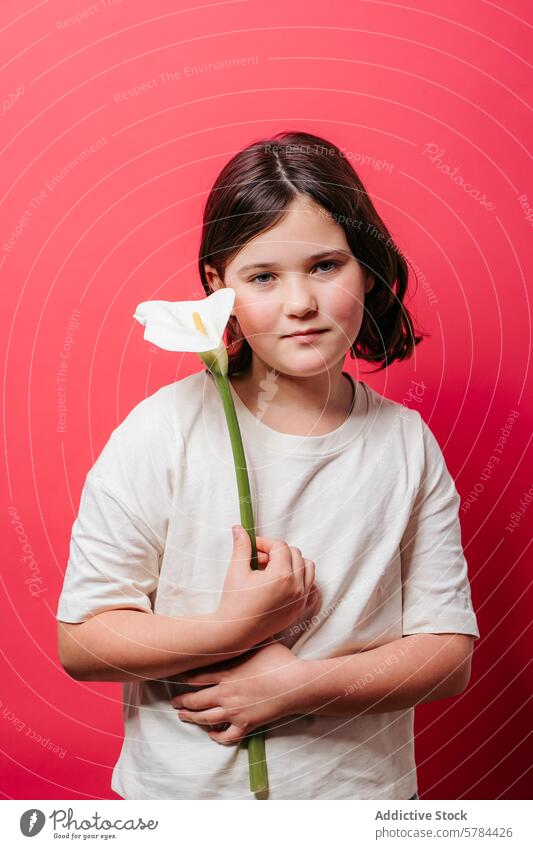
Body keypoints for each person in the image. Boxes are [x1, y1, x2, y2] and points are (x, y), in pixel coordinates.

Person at [56, 131, 480, 801]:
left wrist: (298, 685)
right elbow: (83, 641)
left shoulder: (404, 443)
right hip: (183, 810)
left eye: (324, 265)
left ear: (365, 268)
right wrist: (235, 628)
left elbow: (445, 653)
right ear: (216, 285)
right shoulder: (161, 431)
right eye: (262, 276)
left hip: (357, 804)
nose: (300, 303)